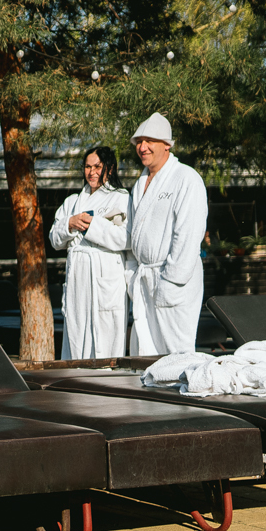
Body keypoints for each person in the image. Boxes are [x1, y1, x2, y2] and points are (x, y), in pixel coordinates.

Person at [125, 113, 210, 356]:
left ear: (167, 144)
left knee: (177, 353)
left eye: (149, 141)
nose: (142, 147)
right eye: (139, 141)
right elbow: (132, 235)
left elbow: (188, 235)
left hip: (173, 279)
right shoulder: (139, 184)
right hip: (145, 278)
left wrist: (171, 281)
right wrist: (131, 275)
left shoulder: (186, 179)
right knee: (145, 351)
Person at [49, 146, 132, 358]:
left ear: (109, 168)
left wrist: (91, 226)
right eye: (87, 167)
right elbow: (54, 240)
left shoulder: (121, 198)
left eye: (97, 167)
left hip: (105, 276)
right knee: (76, 331)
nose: (92, 172)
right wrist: (70, 223)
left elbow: (126, 238)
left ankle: (106, 375)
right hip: (78, 279)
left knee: (106, 332)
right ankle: (76, 374)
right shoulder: (72, 202)